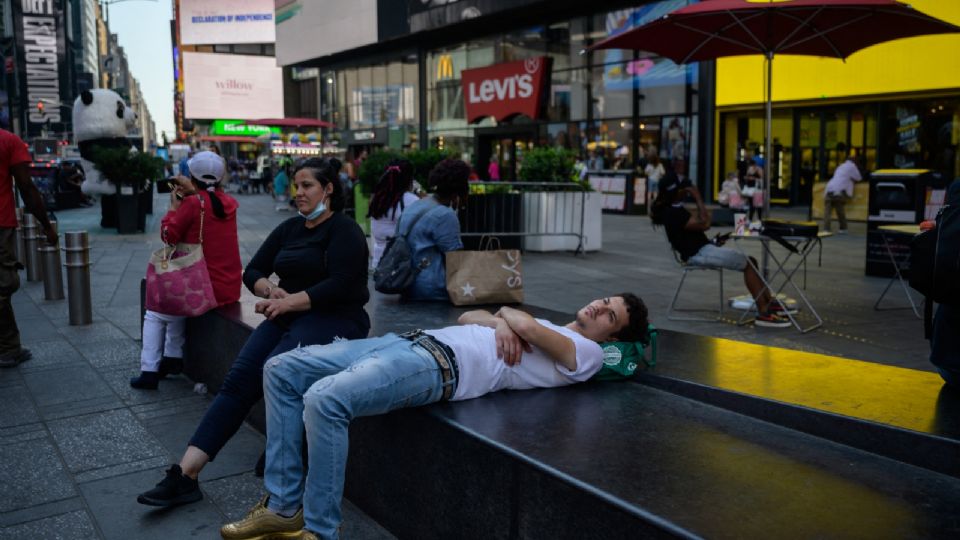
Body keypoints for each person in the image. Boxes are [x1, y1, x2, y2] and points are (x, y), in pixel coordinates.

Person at [219, 293, 649, 539]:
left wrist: (511, 321)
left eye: (610, 315)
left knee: (325, 400)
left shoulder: (590, 355)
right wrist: (504, 322)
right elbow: (470, 315)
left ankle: (319, 530)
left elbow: (527, 328)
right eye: (604, 300)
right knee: (281, 369)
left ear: (614, 335)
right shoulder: (552, 324)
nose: (598, 307)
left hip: (439, 366)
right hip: (407, 342)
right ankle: (282, 505)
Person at [136, 157, 371, 507]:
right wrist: (267, 289)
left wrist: (289, 302)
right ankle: (186, 474)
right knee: (239, 379)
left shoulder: (344, 230)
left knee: (277, 369)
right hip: (287, 313)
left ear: (329, 189)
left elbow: (341, 284)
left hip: (336, 318)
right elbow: (255, 269)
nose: (299, 193)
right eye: (297, 185)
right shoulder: (290, 229)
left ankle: (285, 454)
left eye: (307, 186)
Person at [131, 152, 242, 389]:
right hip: (228, 288)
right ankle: (172, 358)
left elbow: (168, 237)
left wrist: (173, 208)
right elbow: (207, 206)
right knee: (177, 295)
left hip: (203, 287)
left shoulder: (192, 203)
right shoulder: (228, 202)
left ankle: (149, 370)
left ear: (191, 175)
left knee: (156, 310)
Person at [651, 171, 791, 328]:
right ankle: (764, 312)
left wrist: (713, 242)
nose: (687, 191)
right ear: (676, 192)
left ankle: (768, 302)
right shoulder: (673, 213)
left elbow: (692, 234)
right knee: (748, 264)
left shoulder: (674, 209)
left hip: (702, 249)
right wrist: (698, 198)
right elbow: (705, 224)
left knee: (751, 261)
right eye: (684, 189)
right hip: (698, 254)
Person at [1, 128, 57, 368]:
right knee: (3, 285)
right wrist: (46, 225)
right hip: (0, 224)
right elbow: (26, 187)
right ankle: (8, 349)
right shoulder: (9, 141)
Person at [399, 159, 469, 301]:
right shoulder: (445, 215)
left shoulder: (415, 207)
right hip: (433, 289)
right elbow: (454, 258)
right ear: (459, 190)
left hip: (406, 283)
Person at [368, 159, 419, 269]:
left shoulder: (377, 199)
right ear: (409, 179)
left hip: (379, 262)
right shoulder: (411, 200)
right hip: (400, 265)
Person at [823, 143, 862, 234]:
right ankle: (843, 228)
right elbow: (859, 178)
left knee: (827, 211)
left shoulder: (840, 166)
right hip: (839, 192)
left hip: (829, 189)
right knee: (840, 210)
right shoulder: (852, 167)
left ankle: (826, 229)